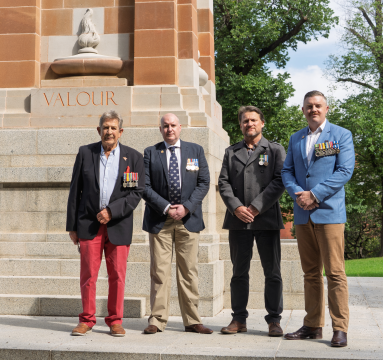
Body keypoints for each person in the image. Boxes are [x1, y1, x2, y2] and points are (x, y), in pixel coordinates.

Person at [281, 90, 355, 347]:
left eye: (318, 105)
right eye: (309, 106)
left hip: (329, 213)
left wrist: (315, 194)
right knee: (310, 273)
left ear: (326, 108)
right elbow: (287, 171)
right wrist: (298, 194)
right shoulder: (296, 138)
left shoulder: (341, 135)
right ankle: (312, 325)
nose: (313, 109)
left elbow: (345, 171)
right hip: (303, 214)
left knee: (335, 273)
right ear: (303, 110)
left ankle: (340, 328)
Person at [66, 110, 144, 337]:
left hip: (118, 225)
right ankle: (87, 320)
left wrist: (112, 211)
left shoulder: (134, 157)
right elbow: (75, 191)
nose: (109, 132)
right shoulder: (85, 153)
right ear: (99, 130)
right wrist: (72, 226)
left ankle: (115, 320)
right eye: (105, 128)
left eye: (113, 128)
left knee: (117, 275)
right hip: (88, 224)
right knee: (88, 274)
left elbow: (136, 193)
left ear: (120, 132)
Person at [218, 105, 286, 337]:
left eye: (254, 120)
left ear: (262, 123)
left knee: (273, 272)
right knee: (239, 272)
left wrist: (256, 207)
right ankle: (238, 319)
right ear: (240, 125)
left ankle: (274, 320)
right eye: (245, 121)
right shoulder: (231, 152)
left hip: (266, 219)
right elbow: (223, 183)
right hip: (238, 221)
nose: (250, 124)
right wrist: (236, 207)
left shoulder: (275, 150)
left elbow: (279, 181)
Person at [141, 113, 213, 335]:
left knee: (189, 271)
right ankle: (157, 319)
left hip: (188, 220)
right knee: (159, 272)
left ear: (180, 127)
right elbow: (144, 186)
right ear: (160, 129)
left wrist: (187, 207)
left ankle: (192, 320)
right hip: (159, 220)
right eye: (165, 126)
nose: (169, 129)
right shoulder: (151, 153)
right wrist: (166, 207)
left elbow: (204, 182)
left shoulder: (195, 150)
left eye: (173, 125)